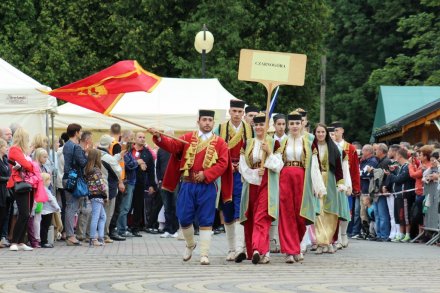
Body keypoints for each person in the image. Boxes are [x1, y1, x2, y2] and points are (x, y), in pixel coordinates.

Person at [148, 109, 232, 265]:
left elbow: (222, 164)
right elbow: (172, 146)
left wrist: (206, 174)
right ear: (198, 121)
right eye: (204, 119)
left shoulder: (220, 142)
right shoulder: (187, 138)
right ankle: (190, 244)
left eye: (210, 120)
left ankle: (204, 254)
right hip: (187, 183)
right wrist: (158, 136)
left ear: (213, 123)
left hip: (207, 186)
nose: (207, 123)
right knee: (184, 217)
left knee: (206, 219)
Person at [274, 113, 326, 263]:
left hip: (302, 179)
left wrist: (318, 187)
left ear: (302, 124)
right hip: (285, 178)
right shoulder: (282, 143)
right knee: (287, 214)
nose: (295, 126)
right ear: (288, 126)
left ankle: (296, 246)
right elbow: (276, 162)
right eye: (292, 123)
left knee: (300, 215)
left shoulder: (309, 143)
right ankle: (290, 251)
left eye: (298, 123)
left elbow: (315, 166)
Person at [238, 112, 283, 264]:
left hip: (267, 184)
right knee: (250, 217)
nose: (258, 127)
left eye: (261, 124)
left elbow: (278, 166)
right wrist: (254, 172)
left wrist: (269, 154)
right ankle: (256, 252)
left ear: (267, 126)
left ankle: (258, 248)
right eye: (256, 124)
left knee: (261, 217)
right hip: (251, 184)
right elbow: (242, 167)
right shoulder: (247, 143)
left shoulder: (274, 143)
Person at [215, 99, 253, 261]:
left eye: (240, 112)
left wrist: (242, 165)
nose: (237, 115)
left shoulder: (249, 129)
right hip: (226, 173)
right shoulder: (221, 128)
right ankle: (231, 248)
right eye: (234, 111)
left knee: (240, 209)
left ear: (243, 113)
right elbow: (215, 149)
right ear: (229, 112)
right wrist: (226, 164)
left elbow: (252, 150)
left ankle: (239, 248)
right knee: (227, 209)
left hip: (243, 174)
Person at [313, 123, 349, 254]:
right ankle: (320, 242)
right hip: (316, 180)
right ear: (315, 133)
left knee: (330, 212)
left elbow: (339, 167)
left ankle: (328, 241)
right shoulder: (312, 147)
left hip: (330, 181)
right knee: (318, 211)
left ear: (326, 134)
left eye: (323, 132)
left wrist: (341, 183)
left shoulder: (334, 148)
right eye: (318, 132)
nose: (321, 134)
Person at [7, 128, 37, 251]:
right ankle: (14, 241)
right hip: (18, 183)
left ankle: (20, 241)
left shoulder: (21, 151)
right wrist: (31, 166)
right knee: (24, 213)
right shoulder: (15, 149)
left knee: (27, 213)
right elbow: (27, 165)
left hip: (25, 183)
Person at [331, 121, 360, 245]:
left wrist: (354, 186)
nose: (335, 133)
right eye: (333, 132)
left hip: (345, 181)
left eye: (337, 130)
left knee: (346, 211)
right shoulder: (327, 146)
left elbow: (354, 169)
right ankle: (335, 235)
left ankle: (343, 234)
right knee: (333, 210)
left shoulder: (350, 148)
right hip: (332, 182)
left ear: (342, 131)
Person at [62, 123, 89, 246]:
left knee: (69, 206)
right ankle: (71, 236)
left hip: (67, 177)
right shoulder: (76, 147)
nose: (81, 134)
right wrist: (86, 154)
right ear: (77, 132)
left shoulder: (66, 145)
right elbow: (83, 163)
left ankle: (69, 234)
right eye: (80, 132)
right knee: (72, 207)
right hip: (75, 179)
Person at [384, 148, 415, 243]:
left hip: (404, 194)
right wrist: (392, 173)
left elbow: (400, 179)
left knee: (405, 215)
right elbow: (397, 178)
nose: (395, 157)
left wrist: (390, 175)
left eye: (396, 155)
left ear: (400, 156)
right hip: (398, 195)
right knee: (399, 216)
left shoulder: (407, 166)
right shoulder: (401, 167)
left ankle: (407, 234)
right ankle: (400, 234)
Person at [97, 134, 123, 243]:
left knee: (95, 213)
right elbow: (118, 171)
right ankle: (104, 235)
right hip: (108, 188)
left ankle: (91, 234)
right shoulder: (108, 157)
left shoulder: (95, 153)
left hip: (94, 187)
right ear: (109, 145)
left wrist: (116, 157)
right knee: (107, 213)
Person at [130, 132, 156, 237]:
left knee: (138, 205)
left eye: (144, 137)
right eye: (140, 137)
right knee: (125, 206)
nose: (142, 139)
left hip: (140, 183)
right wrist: (138, 162)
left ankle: (135, 228)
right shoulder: (129, 150)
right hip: (128, 181)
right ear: (135, 139)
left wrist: (151, 185)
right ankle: (121, 226)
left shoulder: (147, 153)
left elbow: (150, 171)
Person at [156, 131, 179, 239]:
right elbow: (158, 166)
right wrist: (159, 180)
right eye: (166, 135)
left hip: (175, 182)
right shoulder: (161, 150)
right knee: (167, 207)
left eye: (170, 135)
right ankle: (168, 229)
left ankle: (175, 229)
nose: (168, 138)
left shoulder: (177, 149)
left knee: (175, 206)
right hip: (163, 182)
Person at [353, 144, 378, 239]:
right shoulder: (363, 161)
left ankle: (367, 232)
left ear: (368, 151)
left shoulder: (372, 161)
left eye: (363, 151)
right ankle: (363, 231)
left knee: (364, 212)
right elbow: (358, 172)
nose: (361, 153)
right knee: (361, 212)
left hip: (367, 190)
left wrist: (359, 173)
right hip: (362, 189)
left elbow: (364, 174)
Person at [85, 149, 107, 246]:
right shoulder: (96, 170)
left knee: (102, 216)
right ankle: (93, 238)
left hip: (92, 195)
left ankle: (100, 237)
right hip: (98, 195)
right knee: (96, 217)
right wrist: (105, 194)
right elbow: (100, 184)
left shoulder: (88, 169)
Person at [370, 143, 391, 241]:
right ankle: (379, 234)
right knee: (377, 214)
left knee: (382, 214)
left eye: (377, 150)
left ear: (382, 151)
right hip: (376, 191)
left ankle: (384, 235)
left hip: (381, 191)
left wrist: (384, 187)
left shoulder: (387, 161)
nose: (375, 151)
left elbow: (386, 176)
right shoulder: (380, 161)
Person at [40, 173, 61, 248]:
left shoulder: (40, 189)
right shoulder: (46, 190)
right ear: (44, 181)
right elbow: (52, 200)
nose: (50, 181)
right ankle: (44, 241)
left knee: (42, 226)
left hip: (42, 210)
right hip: (47, 211)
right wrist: (57, 208)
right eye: (48, 180)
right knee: (45, 226)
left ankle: (42, 240)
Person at [0, 138, 10, 248]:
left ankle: (2, 238)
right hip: (1, 189)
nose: (7, 148)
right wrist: (7, 178)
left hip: (6, 190)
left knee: (4, 214)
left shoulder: (5, 159)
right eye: (5, 146)